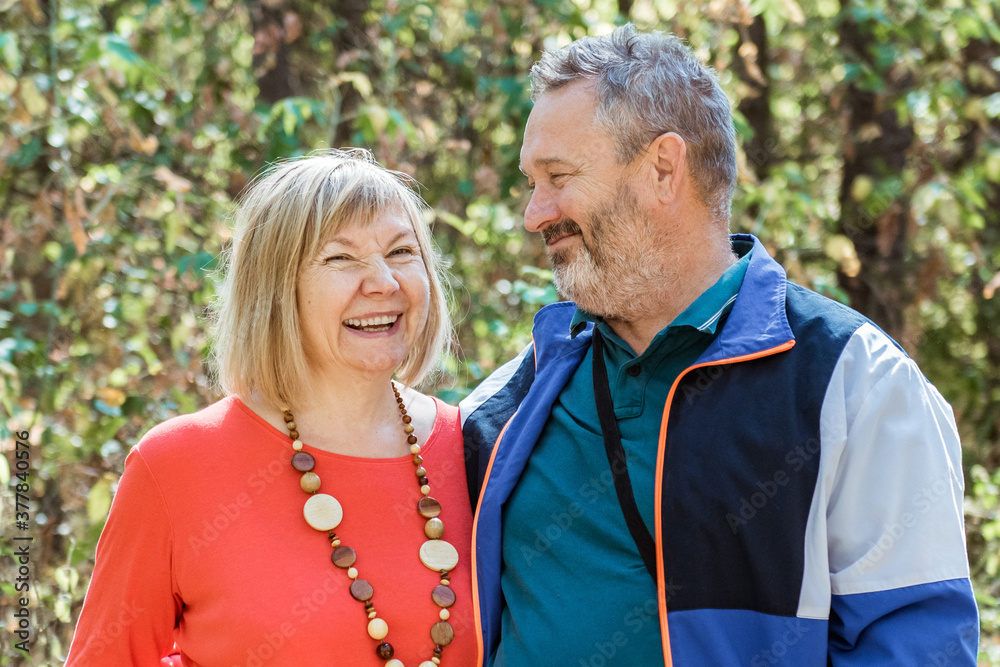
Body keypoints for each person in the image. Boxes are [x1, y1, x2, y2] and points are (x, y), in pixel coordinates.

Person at [461, 24, 979, 666]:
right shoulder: (505, 405)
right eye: (530, 182)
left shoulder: (857, 383)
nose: (534, 213)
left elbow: (915, 645)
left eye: (558, 176)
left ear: (662, 168)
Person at [66, 150, 476, 666]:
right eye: (340, 258)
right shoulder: (175, 466)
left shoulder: (478, 447)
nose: (384, 283)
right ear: (275, 289)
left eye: (400, 252)